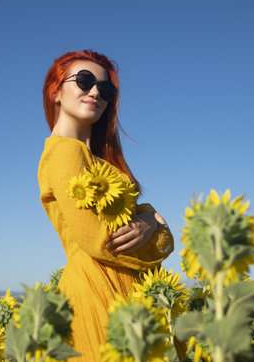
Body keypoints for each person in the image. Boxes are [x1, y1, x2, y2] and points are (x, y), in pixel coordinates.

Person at [38, 50, 174, 361]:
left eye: (106, 88)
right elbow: (104, 242)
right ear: (55, 91)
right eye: (84, 81)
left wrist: (149, 222)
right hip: (100, 290)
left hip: (123, 289)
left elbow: (145, 227)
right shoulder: (64, 153)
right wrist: (155, 222)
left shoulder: (97, 159)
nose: (96, 92)